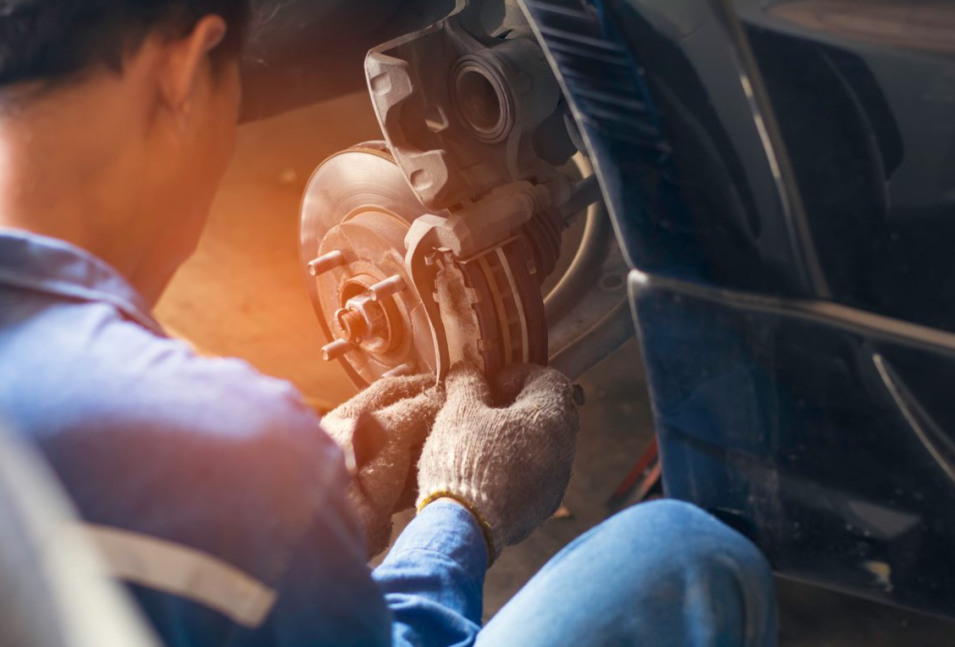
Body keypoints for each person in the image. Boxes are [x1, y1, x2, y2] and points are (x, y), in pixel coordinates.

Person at [0, 2, 778, 646]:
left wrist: (299, 516)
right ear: (183, 71)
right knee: (685, 558)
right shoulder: (214, 438)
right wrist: (459, 512)